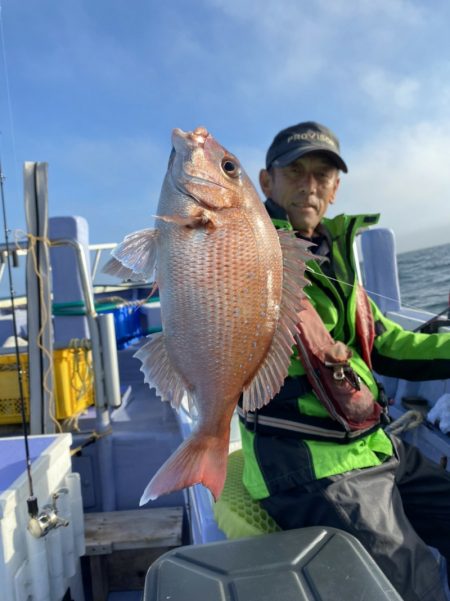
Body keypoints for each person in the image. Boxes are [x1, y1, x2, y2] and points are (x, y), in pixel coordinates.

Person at [238, 121, 450, 601]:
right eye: (295, 171)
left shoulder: (334, 256)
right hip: (308, 466)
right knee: (415, 583)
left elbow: (392, 344)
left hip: (373, 446)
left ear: (335, 189)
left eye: (323, 174)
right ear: (265, 182)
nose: (310, 184)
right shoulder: (249, 249)